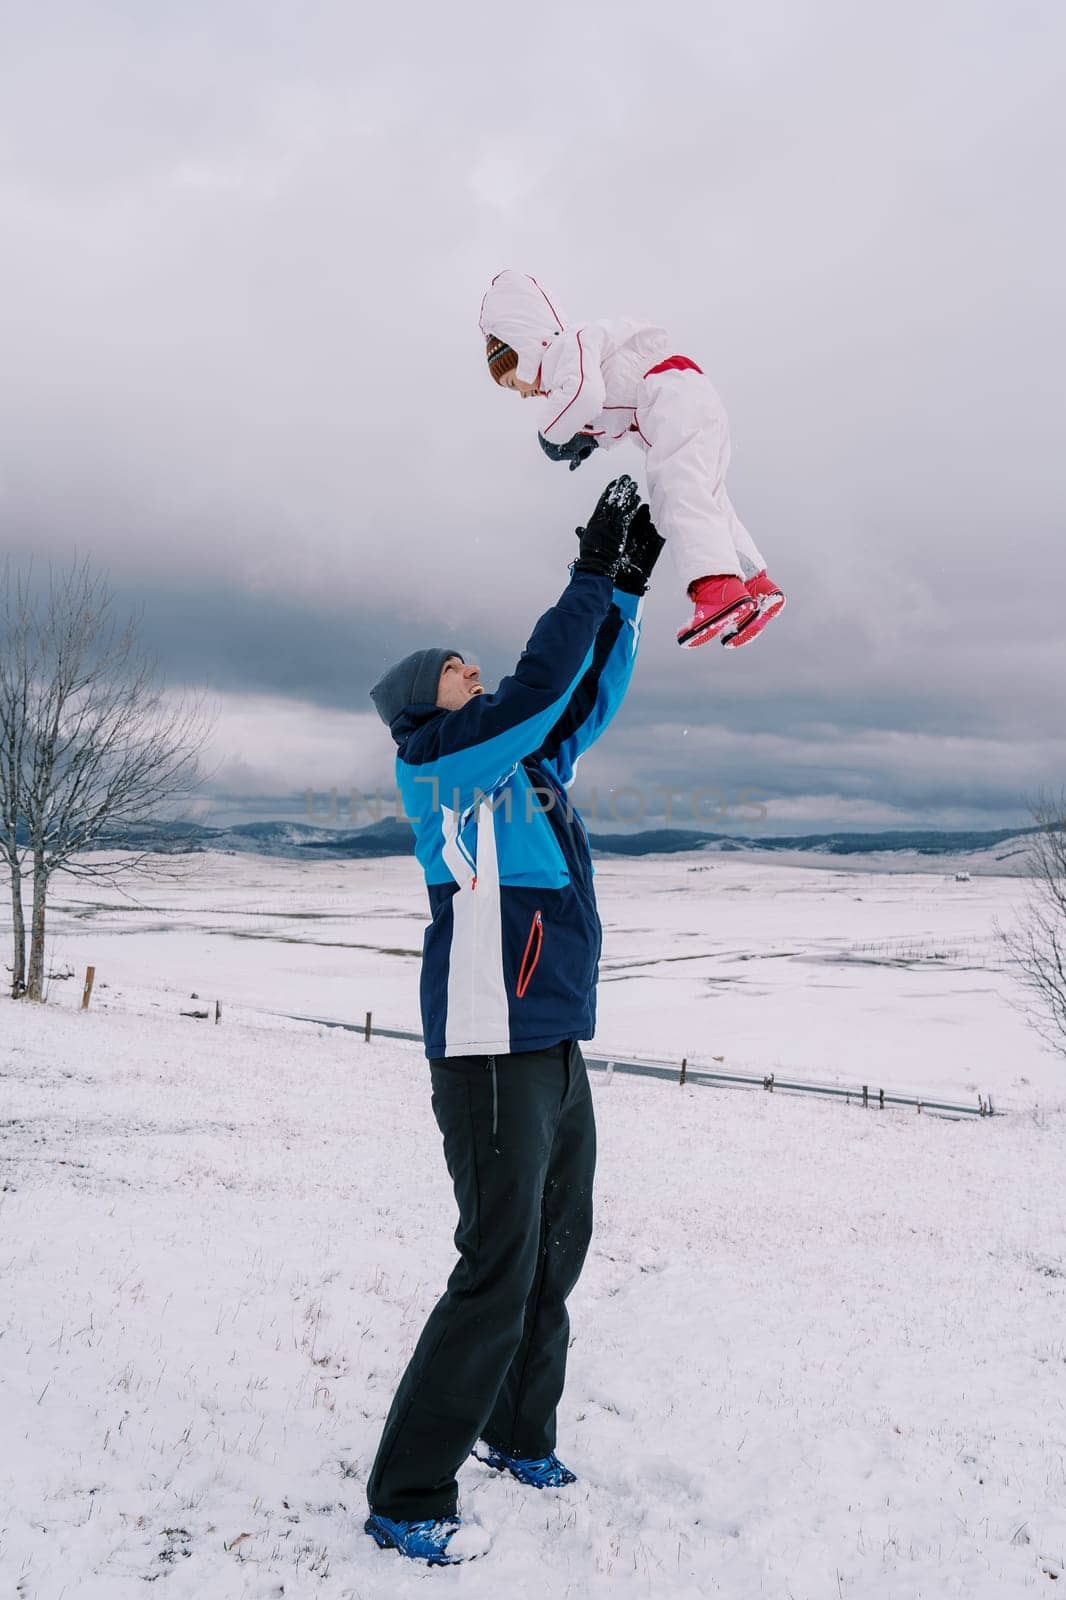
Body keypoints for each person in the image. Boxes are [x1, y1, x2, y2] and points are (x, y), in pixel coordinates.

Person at [363, 476, 664, 1567]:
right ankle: (405, 1489)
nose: (477, 681)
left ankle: (517, 1430)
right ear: (422, 701)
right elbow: (541, 686)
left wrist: (625, 593)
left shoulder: (517, 767)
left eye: (476, 675)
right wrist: (587, 568)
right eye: (460, 675)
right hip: (490, 1043)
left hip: (548, 1033)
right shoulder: (440, 762)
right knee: (497, 1256)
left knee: (557, 1237)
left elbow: (579, 701)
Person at [479, 268, 786, 651]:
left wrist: (552, 436)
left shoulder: (568, 348)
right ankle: (755, 583)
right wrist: (589, 440)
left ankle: (715, 587)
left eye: (513, 383)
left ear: (524, 349)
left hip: (671, 401)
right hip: (686, 397)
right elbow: (611, 411)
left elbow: (585, 398)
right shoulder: (582, 355)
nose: (522, 394)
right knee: (708, 495)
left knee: (678, 494)